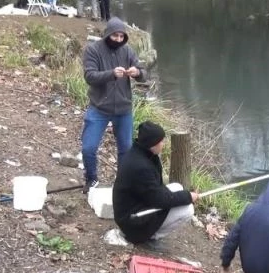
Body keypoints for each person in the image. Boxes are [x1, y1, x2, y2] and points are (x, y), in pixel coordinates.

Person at [81, 17, 147, 192]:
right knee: (88, 148)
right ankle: (91, 179)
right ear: (107, 34)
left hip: (123, 109)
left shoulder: (128, 51)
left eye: (121, 36)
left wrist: (137, 72)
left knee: (126, 149)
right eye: (115, 36)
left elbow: (144, 73)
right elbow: (89, 76)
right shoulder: (93, 50)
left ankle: (122, 184)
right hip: (99, 107)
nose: (118, 39)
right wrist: (111, 74)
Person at [112, 121, 200, 245]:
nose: (163, 144)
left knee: (177, 187)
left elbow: (156, 191)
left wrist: (183, 196)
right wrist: (188, 196)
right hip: (133, 221)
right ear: (153, 144)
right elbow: (159, 200)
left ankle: (150, 232)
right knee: (188, 210)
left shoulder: (142, 154)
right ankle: (150, 237)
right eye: (161, 141)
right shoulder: (141, 167)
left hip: (137, 205)